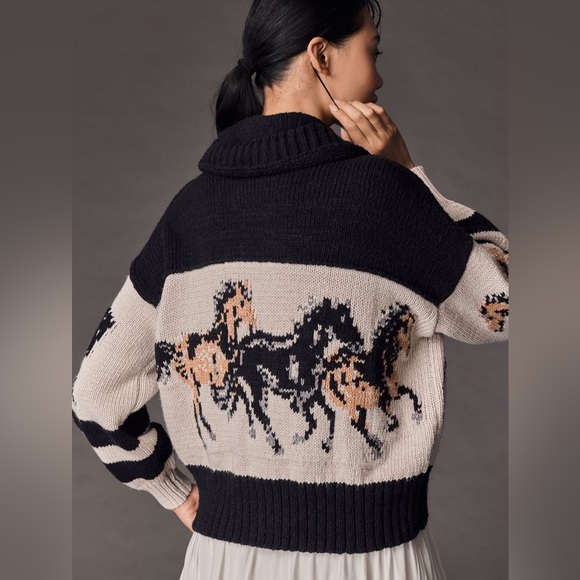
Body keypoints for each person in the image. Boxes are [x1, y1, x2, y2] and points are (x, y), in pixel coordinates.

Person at [72, 1, 508, 578]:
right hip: (372, 561)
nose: (379, 78)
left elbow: (95, 397)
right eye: (372, 53)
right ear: (320, 55)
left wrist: (173, 489)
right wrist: (408, 173)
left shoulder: (188, 214)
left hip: (225, 561)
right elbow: (503, 304)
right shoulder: (386, 199)